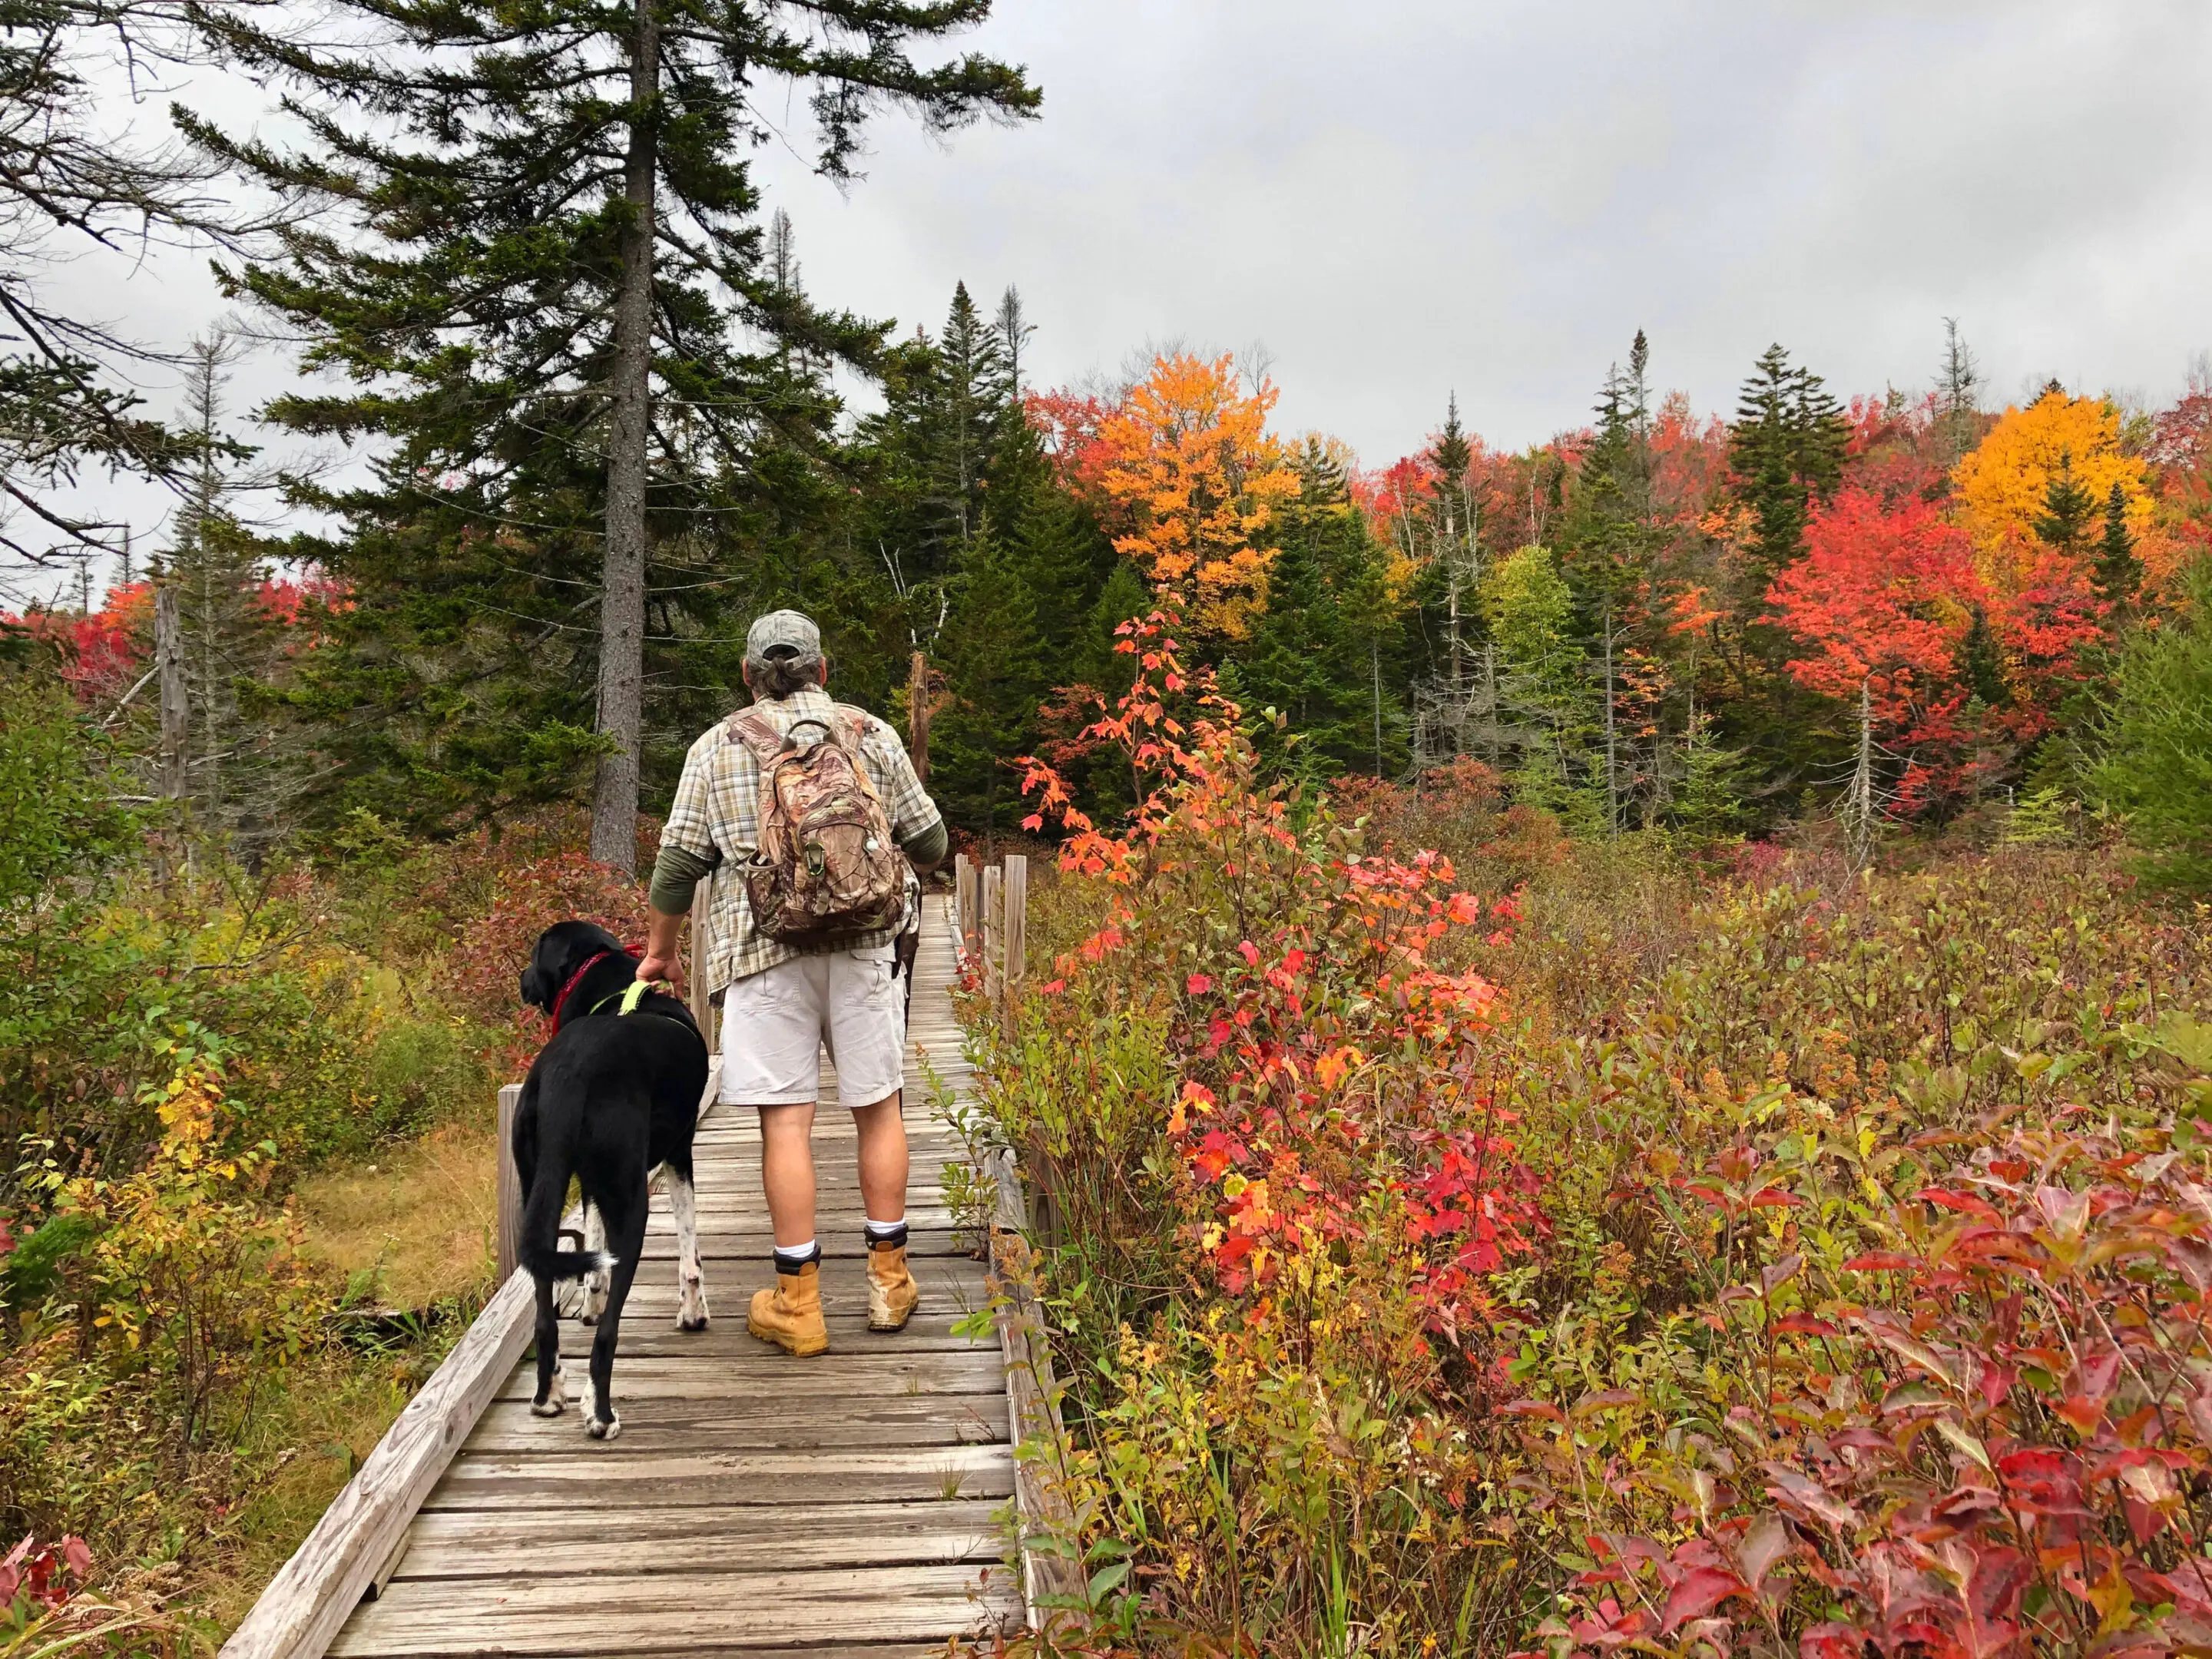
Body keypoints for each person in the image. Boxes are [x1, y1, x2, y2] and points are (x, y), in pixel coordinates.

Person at [636, 610, 949, 1356]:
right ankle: (889, 1283)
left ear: (747, 676)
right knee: (879, 1109)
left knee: (786, 1122)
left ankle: (798, 1303)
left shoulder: (716, 747)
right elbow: (932, 843)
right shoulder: (871, 734)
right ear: (823, 671)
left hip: (761, 955)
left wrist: (660, 953)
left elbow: (678, 867)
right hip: (869, 946)